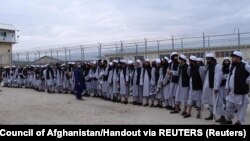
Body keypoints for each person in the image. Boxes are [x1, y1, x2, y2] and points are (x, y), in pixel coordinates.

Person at [221, 51, 250, 125]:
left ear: (239, 58)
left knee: (241, 108)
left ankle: (239, 121)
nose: (232, 59)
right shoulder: (232, 66)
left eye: (234, 58)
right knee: (228, 107)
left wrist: (247, 81)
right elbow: (230, 77)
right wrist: (227, 87)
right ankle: (229, 119)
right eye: (232, 58)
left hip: (241, 92)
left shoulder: (245, 65)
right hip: (231, 92)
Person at [202, 53, 222, 120]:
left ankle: (221, 116)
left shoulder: (217, 66)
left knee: (217, 102)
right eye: (206, 59)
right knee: (210, 101)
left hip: (214, 88)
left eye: (208, 59)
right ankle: (211, 114)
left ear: (212, 59)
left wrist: (216, 87)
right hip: (208, 87)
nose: (207, 60)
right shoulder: (208, 66)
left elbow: (218, 77)